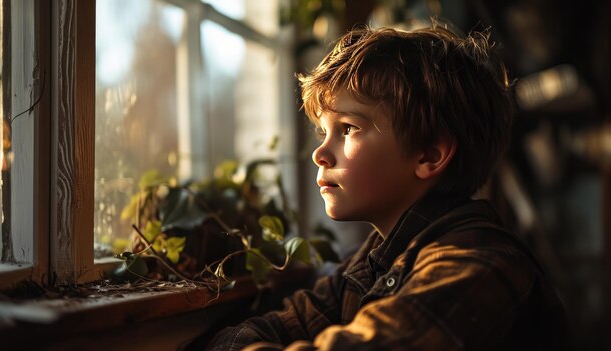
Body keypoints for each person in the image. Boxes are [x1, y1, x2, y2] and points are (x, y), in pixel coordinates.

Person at [205, 23, 567, 350]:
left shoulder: (477, 267)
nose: (319, 154)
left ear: (429, 155)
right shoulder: (373, 261)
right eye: (322, 132)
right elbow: (267, 329)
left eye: (347, 128)